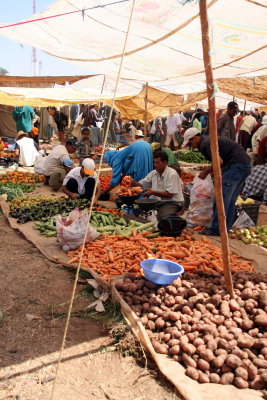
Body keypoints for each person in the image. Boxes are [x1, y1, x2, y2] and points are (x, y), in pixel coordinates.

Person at [182, 129, 250, 236]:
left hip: (235, 165)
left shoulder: (205, 144)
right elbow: (221, 160)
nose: (191, 146)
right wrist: (213, 170)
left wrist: (206, 172)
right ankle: (224, 229)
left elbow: (219, 161)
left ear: (195, 138)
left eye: (190, 142)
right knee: (230, 200)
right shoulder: (207, 141)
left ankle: (216, 229)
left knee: (221, 199)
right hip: (244, 165)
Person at [130, 151, 184, 220]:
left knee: (163, 217)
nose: (154, 165)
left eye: (157, 163)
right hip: (159, 202)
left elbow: (170, 195)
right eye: (154, 162)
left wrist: (153, 192)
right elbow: (140, 184)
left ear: (164, 162)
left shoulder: (172, 174)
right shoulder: (154, 173)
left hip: (173, 202)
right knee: (139, 211)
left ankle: (178, 212)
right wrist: (131, 182)